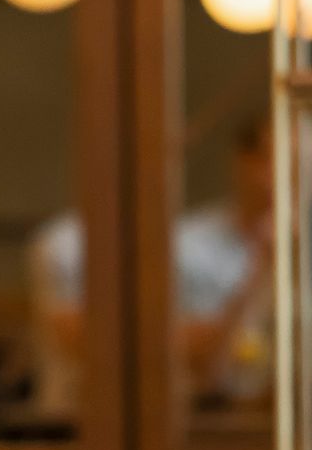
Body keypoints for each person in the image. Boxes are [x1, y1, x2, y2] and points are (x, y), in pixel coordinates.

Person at [27, 116, 278, 418]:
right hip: (82, 428)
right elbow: (109, 343)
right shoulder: (66, 245)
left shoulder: (183, 245)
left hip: (194, 422)